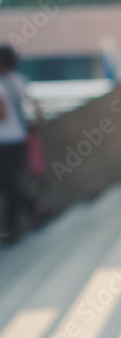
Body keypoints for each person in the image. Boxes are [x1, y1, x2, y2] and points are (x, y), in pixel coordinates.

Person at [0, 44, 44, 245]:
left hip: (5, 141)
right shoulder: (19, 80)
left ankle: (27, 213)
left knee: (8, 183)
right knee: (11, 182)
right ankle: (25, 216)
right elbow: (36, 107)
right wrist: (33, 126)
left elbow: (2, 114)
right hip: (20, 138)